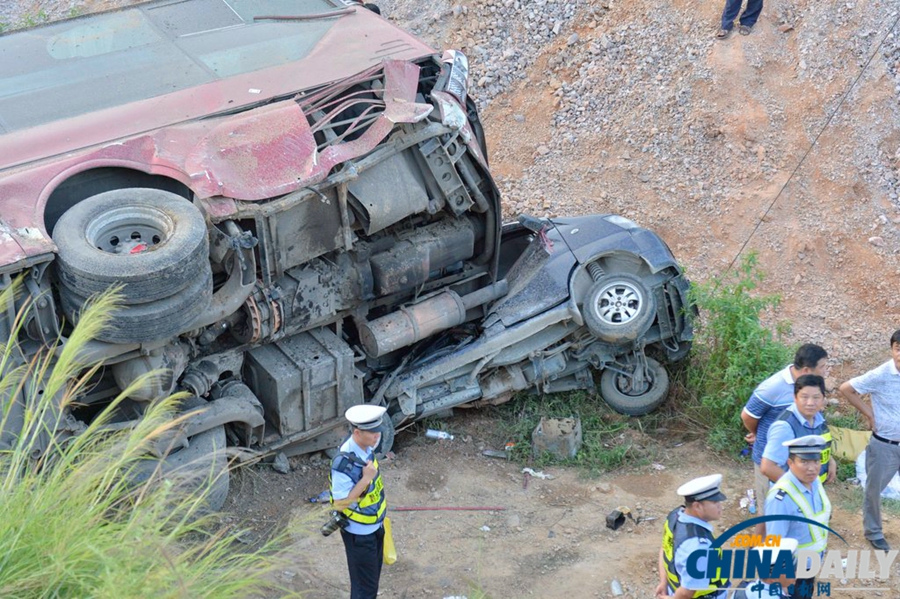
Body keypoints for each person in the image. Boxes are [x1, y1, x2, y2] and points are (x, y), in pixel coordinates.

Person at [741, 344, 829, 531]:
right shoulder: (772, 388)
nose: (825, 372)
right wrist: (759, 434)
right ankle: (758, 553)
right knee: (768, 513)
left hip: (797, 461)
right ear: (807, 370)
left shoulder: (811, 393)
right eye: (822, 367)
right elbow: (748, 415)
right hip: (772, 459)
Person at [839, 328, 900, 551]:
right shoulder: (881, 374)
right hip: (884, 445)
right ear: (892, 349)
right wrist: (869, 413)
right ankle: (874, 532)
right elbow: (846, 389)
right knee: (874, 490)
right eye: (897, 348)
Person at [329, 404, 389, 599]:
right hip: (360, 535)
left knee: (370, 583)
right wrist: (365, 479)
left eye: (378, 432)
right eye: (373, 433)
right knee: (364, 589)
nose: (377, 437)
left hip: (374, 527)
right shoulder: (343, 464)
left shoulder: (365, 449)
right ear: (357, 432)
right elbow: (340, 504)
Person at [765, 435, 832, 599]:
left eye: (816, 461)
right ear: (790, 463)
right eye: (804, 462)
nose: (812, 468)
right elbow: (775, 543)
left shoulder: (815, 482)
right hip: (793, 574)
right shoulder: (781, 498)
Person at [656, 474, 730, 599]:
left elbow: (664, 549)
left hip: (673, 588)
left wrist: (664, 582)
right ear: (697, 506)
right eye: (714, 502)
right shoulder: (698, 547)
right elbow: (687, 592)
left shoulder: (675, 516)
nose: (720, 506)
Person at [760, 374, 836, 486]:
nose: (810, 403)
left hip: (813, 490)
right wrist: (800, 489)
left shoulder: (818, 419)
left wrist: (830, 461)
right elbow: (768, 467)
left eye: (816, 397)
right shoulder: (784, 427)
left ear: (823, 399)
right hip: (790, 496)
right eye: (804, 397)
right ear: (795, 398)